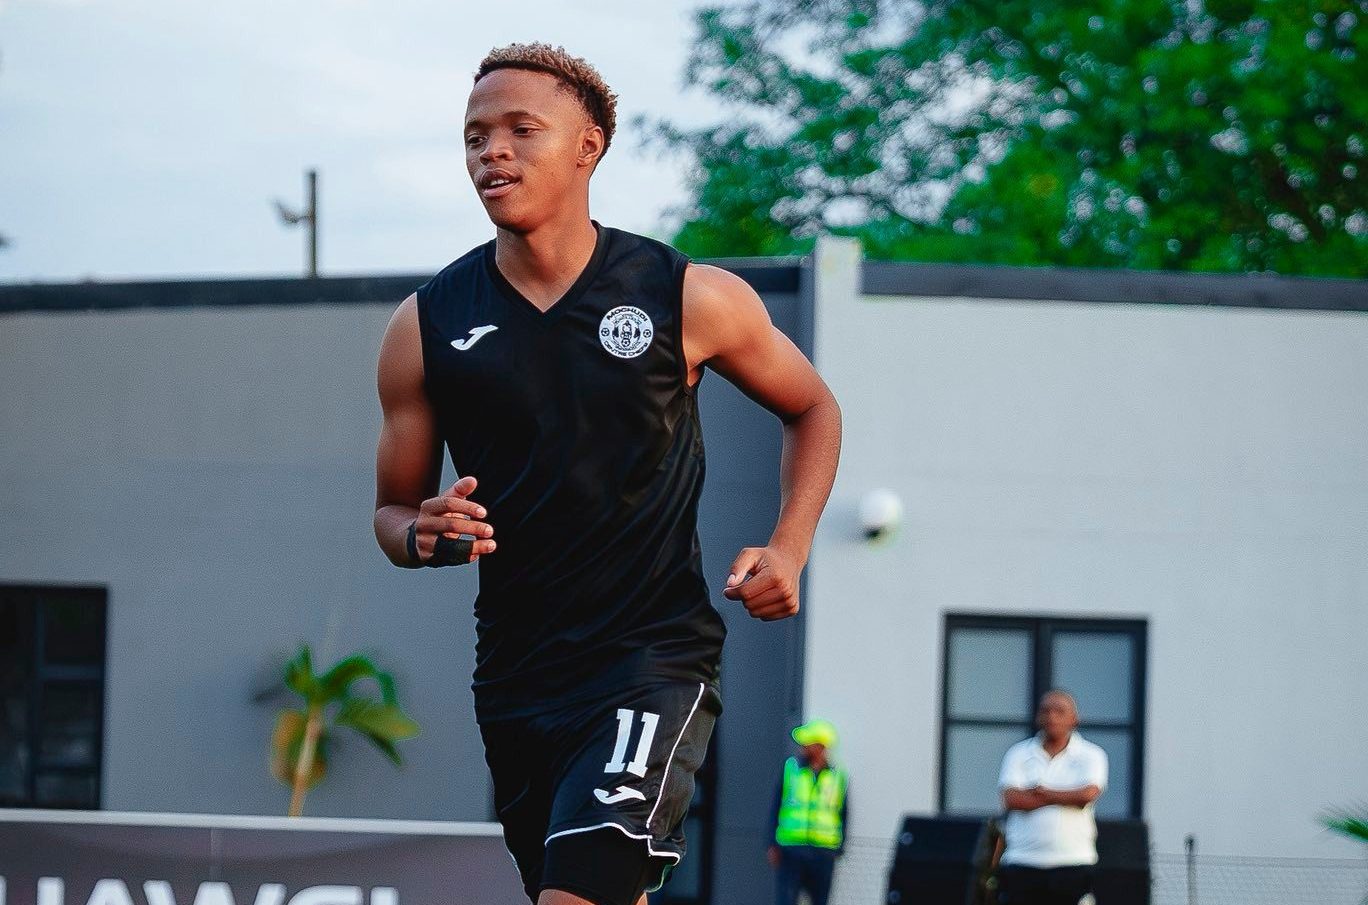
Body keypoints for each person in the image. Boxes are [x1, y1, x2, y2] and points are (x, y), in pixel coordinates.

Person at [372, 42, 841, 905]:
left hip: (652, 658)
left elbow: (812, 407)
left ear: (588, 145)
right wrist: (422, 530)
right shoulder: (426, 325)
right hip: (516, 678)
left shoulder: (684, 295)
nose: (492, 150)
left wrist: (790, 545)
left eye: (521, 130)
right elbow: (391, 513)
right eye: (475, 135)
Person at [996, 690, 1109, 905]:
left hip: (1073, 863)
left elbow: (1087, 795)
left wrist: (1043, 792)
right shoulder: (1018, 753)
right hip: (1022, 862)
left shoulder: (1091, 755)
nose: (1051, 717)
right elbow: (1011, 799)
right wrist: (1066, 795)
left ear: (1074, 718)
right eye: (1046, 711)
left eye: (1059, 711)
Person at [767, 719, 848, 905]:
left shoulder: (837, 776)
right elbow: (776, 806)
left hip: (823, 853)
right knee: (786, 900)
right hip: (792, 849)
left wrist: (839, 847)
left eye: (808, 743)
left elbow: (843, 813)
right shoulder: (791, 770)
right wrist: (772, 843)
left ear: (820, 746)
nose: (803, 747)